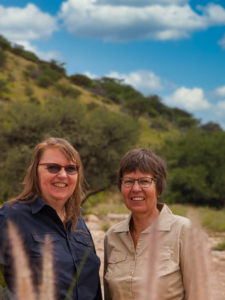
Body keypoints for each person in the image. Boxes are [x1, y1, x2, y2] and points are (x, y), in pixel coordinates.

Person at [0, 137, 102, 300]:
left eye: (71, 169)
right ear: (35, 172)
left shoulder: (79, 222)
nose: (62, 175)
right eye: (53, 167)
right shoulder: (12, 216)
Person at [104, 148, 191, 300]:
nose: (136, 189)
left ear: (159, 188)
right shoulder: (112, 237)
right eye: (129, 181)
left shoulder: (183, 230)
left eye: (145, 181)